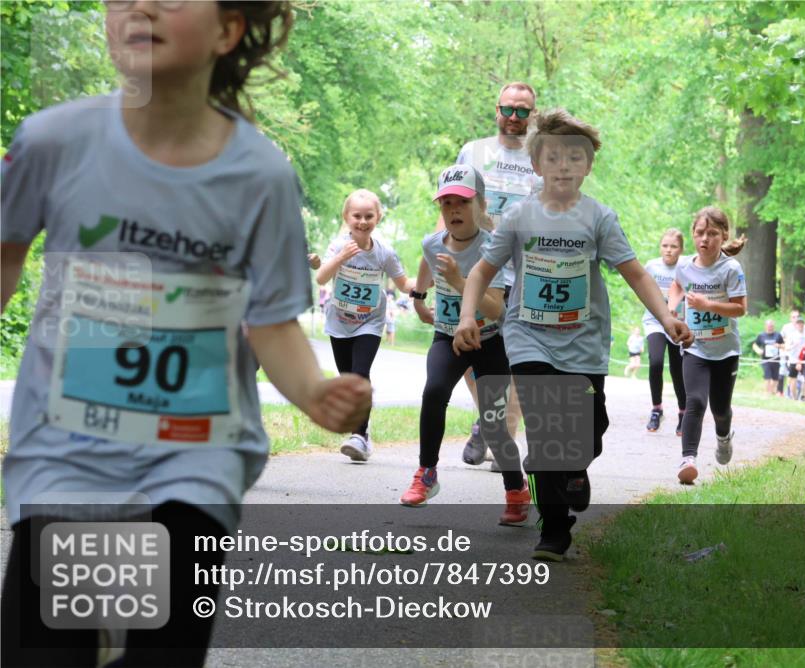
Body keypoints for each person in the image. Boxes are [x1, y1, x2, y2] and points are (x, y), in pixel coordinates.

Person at [0, 3, 372, 665]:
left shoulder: (260, 178)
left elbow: (271, 323)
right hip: (67, 454)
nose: (140, 6)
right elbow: (6, 254)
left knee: (160, 652)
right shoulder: (53, 142)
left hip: (191, 460)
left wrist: (315, 392)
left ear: (227, 31)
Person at [454, 109, 692, 561]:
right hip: (527, 334)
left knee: (588, 428)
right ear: (538, 164)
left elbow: (636, 273)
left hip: (583, 343)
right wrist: (468, 317)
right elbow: (481, 272)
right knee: (545, 429)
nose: (563, 165)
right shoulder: (520, 217)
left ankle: (575, 467)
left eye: (574, 157)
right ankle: (555, 530)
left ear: (587, 166)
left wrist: (666, 318)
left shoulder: (599, 218)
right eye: (554, 157)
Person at [400, 165, 529, 524]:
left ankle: (516, 488)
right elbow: (429, 263)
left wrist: (459, 281)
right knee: (434, 391)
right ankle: (426, 473)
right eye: (447, 203)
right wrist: (419, 297)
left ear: (481, 205)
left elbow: (497, 307)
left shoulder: (492, 247)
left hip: (489, 339)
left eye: (462, 202)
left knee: (493, 422)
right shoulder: (432, 242)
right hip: (447, 334)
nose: (454, 210)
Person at [451, 82, 544, 467]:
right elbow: (454, 198)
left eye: (523, 111)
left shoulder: (543, 157)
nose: (514, 117)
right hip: (478, 263)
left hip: (525, 267)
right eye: (509, 108)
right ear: (497, 109)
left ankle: (498, 430)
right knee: (474, 347)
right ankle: (489, 418)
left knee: (518, 355)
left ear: (532, 115)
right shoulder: (473, 151)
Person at [311, 189, 412, 461]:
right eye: (357, 216)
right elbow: (321, 278)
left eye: (369, 216)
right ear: (347, 217)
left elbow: (404, 284)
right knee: (347, 379)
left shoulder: (384, 253)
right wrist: (341, 257)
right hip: (340, 321)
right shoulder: (337, 246)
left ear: (378, 217)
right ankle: (363, 432)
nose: (363, 221)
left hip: (370, 322)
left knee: (359, 374)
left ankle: (359, 435)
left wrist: (426, 283)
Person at [667, 207, 748, 484]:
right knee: (696, 401)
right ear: (693, 234)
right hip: (695, 346)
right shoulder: (684, 265)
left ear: (724, 235)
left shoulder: (731, 268)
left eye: (712, 233)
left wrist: (706, 304)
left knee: (720, 409)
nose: (705, 239)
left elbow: (740, 309)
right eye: (700, 233)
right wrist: (671, 310)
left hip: (725, 350)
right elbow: (678, 285)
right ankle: (688, 459)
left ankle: (723, 437)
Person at [642, 228, 687, 435]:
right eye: (665, 246)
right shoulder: (651, 266)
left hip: (677, 323)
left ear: (681, 249)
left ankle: (683, 412)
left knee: (677, 370)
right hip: (655, 322)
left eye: (674, 247)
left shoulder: (686, 267)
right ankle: (656, 409)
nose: (668, 250)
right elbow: (642, 290)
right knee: (656, 362)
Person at [752, 320, 783, 396]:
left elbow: (784, 345)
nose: (770, 327)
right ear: (765, 326)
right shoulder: (761, 335)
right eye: (768, 326)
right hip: (765, 359)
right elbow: (754, 345)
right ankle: (767, 393)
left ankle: (772, 391)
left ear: (774, 326)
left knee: (775, 378)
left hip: (776, 359)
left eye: (771, 326)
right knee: (767, 376)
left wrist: (779, 346)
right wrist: (758, 350)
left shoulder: (778, 335)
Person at [784, 315, 805, 400]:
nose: (800, 325)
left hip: (804, 360)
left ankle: (803, 396)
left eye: (801, 323)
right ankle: (794, 397)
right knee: (792, 379)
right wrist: (793, 345)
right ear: (796, 325)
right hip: (793, 359)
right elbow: (786, 347)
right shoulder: (791, 335)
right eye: (798, 323)